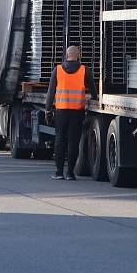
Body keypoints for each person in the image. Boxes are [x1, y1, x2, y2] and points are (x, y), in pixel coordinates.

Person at [46, 45, 97, 180]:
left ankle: (58, 172)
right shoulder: (84, 70)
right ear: (78, 56)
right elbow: (93, 88)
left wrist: (48, 110)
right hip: (77, 111)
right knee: (74, 141)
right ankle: (70, 173)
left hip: (61, 111)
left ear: (66, 56)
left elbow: (50, 93)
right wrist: (93, 97)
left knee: (59, 140)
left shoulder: (57, 70)